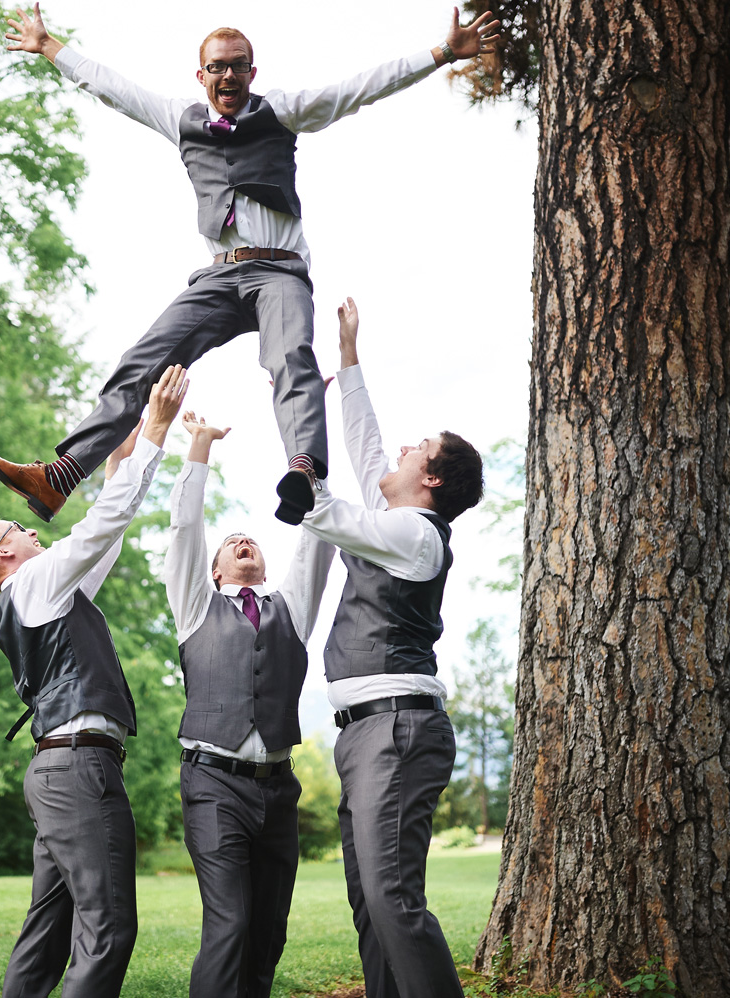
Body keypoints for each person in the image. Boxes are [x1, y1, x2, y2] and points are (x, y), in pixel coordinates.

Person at [0, 5, 500, 526]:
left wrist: (440, 54)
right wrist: (50, 47)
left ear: (253, 72)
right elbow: (113, 88)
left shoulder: (282, 111)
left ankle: (302, 471)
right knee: (141, 361)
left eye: (238, 65)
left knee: (289, 357)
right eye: (218, 67)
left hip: (279, 272)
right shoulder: (180, 119)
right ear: (201, 74)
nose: (228, 75)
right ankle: (62, 476)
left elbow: (358, 89)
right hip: (218, 276)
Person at [0, 365, 189, 998]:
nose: (31, 529)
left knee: (48, 931)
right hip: (79, 770)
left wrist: (118, 462)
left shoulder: (41, 594)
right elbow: (100, 529)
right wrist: (155, 434)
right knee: (109, 926)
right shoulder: (31, 583)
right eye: (18, 530)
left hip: (59, 771)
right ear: (4, 555)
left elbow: (98, 551)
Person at [300, 298, 483, 998]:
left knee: (393, 900)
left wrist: (298, 430)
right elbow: (368, 445)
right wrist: (348, 359)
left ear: (431, 480)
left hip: (397, 731)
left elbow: (321, 508)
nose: (404, 449)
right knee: (369, 906)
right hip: (366, 734)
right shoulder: (398, 522)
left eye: (419, 449)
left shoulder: (414, 534)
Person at [164, 411, 336, 998]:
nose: (245, 542)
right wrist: (199, 450)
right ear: (213, 571)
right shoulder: (194, 607)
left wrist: (308, 437)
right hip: (213, 785)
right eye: (232, 543)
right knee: (230, 922)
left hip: (279, 788)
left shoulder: (291, 606)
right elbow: (185, 531)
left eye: (253, 541)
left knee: (268, 929)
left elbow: (318, 540)